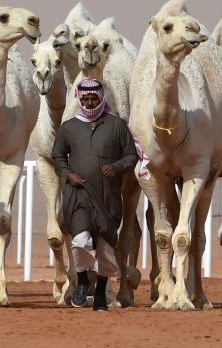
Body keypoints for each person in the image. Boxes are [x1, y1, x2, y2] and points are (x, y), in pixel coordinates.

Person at [52, 78, 138, 311]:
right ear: (79, 99)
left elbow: (132, 155)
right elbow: (57, 156)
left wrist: (117, 167)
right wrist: (68, 174)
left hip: (108, 196)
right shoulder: (69, 127)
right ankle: (81, 281)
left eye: (94, 98)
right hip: (78, 194)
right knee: (80, 241)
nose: (90, 103)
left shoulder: (117, 125)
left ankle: (100, 291)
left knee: (105, 249)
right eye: (86, 99)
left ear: (101, 98)